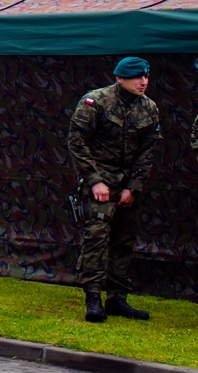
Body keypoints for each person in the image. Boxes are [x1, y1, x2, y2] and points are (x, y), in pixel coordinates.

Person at [69, 56, 160, 323]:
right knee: (96, 238)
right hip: (100, 180)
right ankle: (93, 298)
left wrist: (134, 187)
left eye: (145, 76)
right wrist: (94, 179)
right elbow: (77, 141)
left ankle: (117, 298)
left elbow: (147, 152)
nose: (143, 82)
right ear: (120, 78)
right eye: (136, 77)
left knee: (124, 241)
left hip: (127, 183)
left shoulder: (149, 108)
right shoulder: (96, 102)